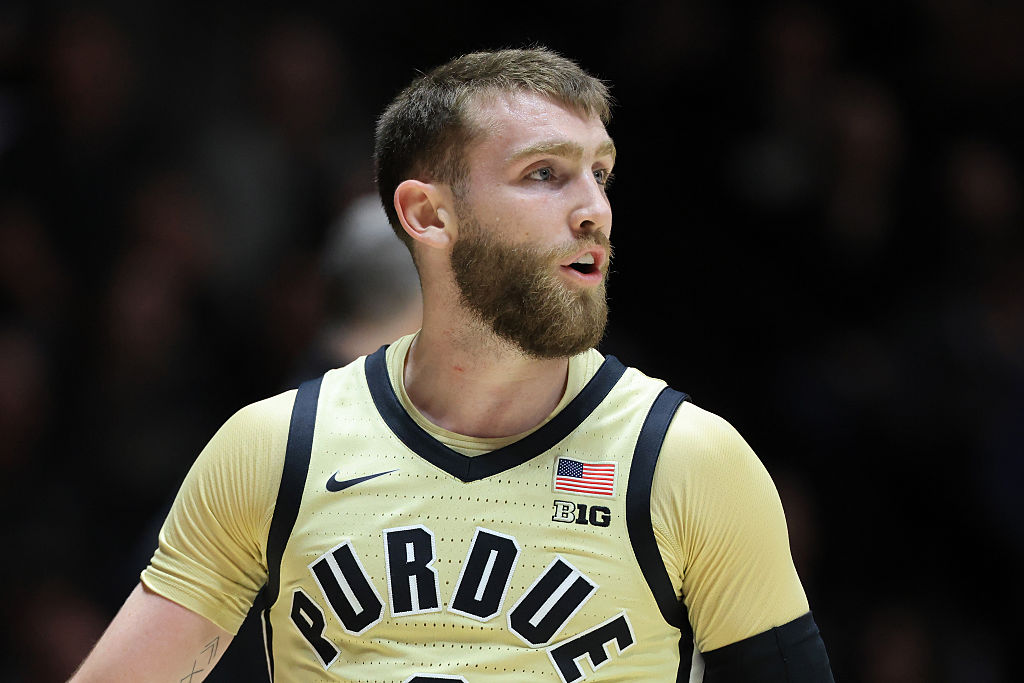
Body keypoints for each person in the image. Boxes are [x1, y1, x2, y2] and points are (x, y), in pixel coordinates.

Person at [70, 47, 834, 682]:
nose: (593, 207)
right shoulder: (275, 449)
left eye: (599, 172)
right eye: (544, 173)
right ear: (427, 214)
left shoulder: (690, 460)